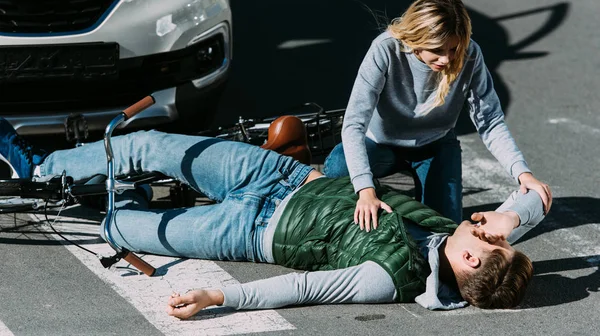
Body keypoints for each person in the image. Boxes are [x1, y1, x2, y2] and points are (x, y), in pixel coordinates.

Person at [0, 119, 545, 319]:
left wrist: (220, 298)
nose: (485, 224)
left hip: (250, 232)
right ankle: (39, 167)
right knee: (149, 145)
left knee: (121, 228)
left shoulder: (390, 279)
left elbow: (305, 287)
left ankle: (89, 193)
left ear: (471, 258)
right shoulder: (463, 239)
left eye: (487, 235)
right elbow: (538, 202)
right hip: (276, 178)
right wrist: (518, 208)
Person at [323, 0, 552, 228]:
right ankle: (383, 194)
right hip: (380, 143)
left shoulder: (470, 55)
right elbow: (353, 124)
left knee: (443, 231)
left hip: (434, 146)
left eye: (453, 49)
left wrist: (523, 174)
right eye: (438, 50)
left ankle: (421, 196)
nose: (446, 59)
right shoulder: (385, 49)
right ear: (416, 39)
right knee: (338, 169)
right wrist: (366, 190)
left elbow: (490, 121)